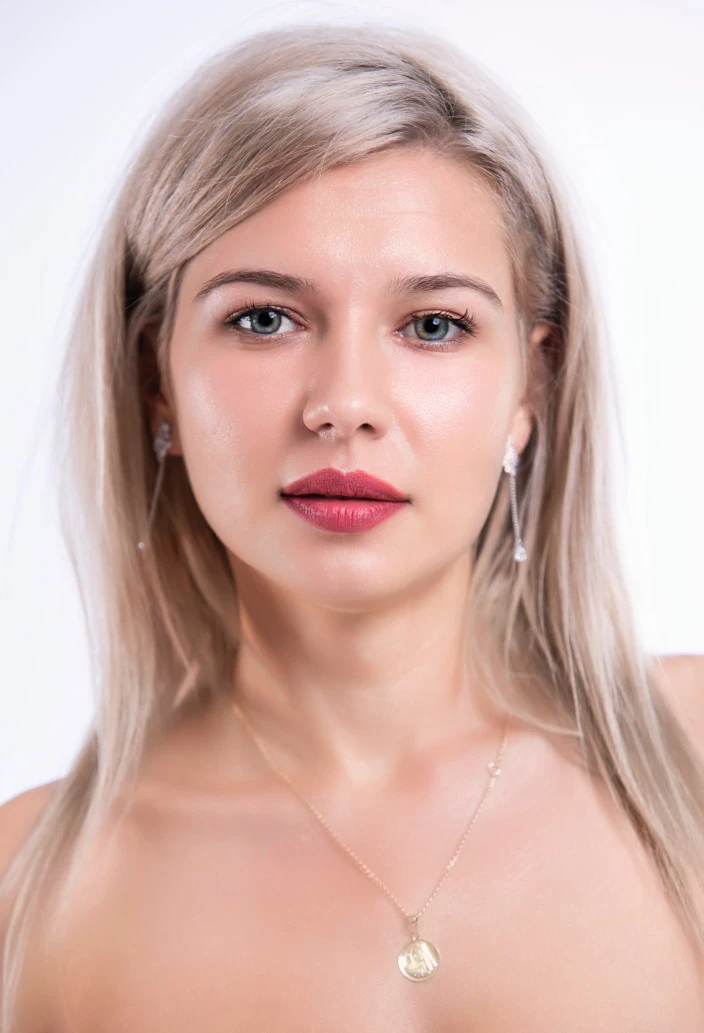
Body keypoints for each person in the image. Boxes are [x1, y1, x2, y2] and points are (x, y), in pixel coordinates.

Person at [1, 21, 703, 1032]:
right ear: (155, 378)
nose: (344, 403)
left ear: (529, 386)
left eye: (431, 326)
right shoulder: (28, 896)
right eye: (263, 319)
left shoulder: (685, 759)